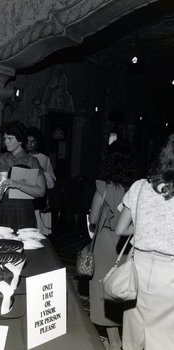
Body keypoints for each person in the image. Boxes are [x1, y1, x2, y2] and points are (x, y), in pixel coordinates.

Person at [115, 134, 174, 350]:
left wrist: (146, 230)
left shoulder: (140, 186)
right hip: (170, 276)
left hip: (137, 269)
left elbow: (120, 229)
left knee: (133, 336)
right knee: (166, 339)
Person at [88, 142, 138, 350]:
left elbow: (93, 218)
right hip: (126, 244)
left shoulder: (103, 187)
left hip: (105, 243)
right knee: (123, 288)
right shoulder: (136, 189)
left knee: (103, 289)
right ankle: (124, 338)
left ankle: (113, 340)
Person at [0, 121, 46, 232]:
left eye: (10, 138)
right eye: (4, 139)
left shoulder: (32, 162)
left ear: (20, 140)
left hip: (22, 208)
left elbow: (41, 191)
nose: (6, 142)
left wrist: (17, 184)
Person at [26, 126, 56, 235]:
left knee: (38, 231)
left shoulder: (43, 158)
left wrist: (43, 175)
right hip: (25, 198)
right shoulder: (20, 157)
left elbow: (51, 183)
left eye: (32, 141)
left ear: (38, 143)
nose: (29, 144)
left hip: (38, 199)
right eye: (27, 141)